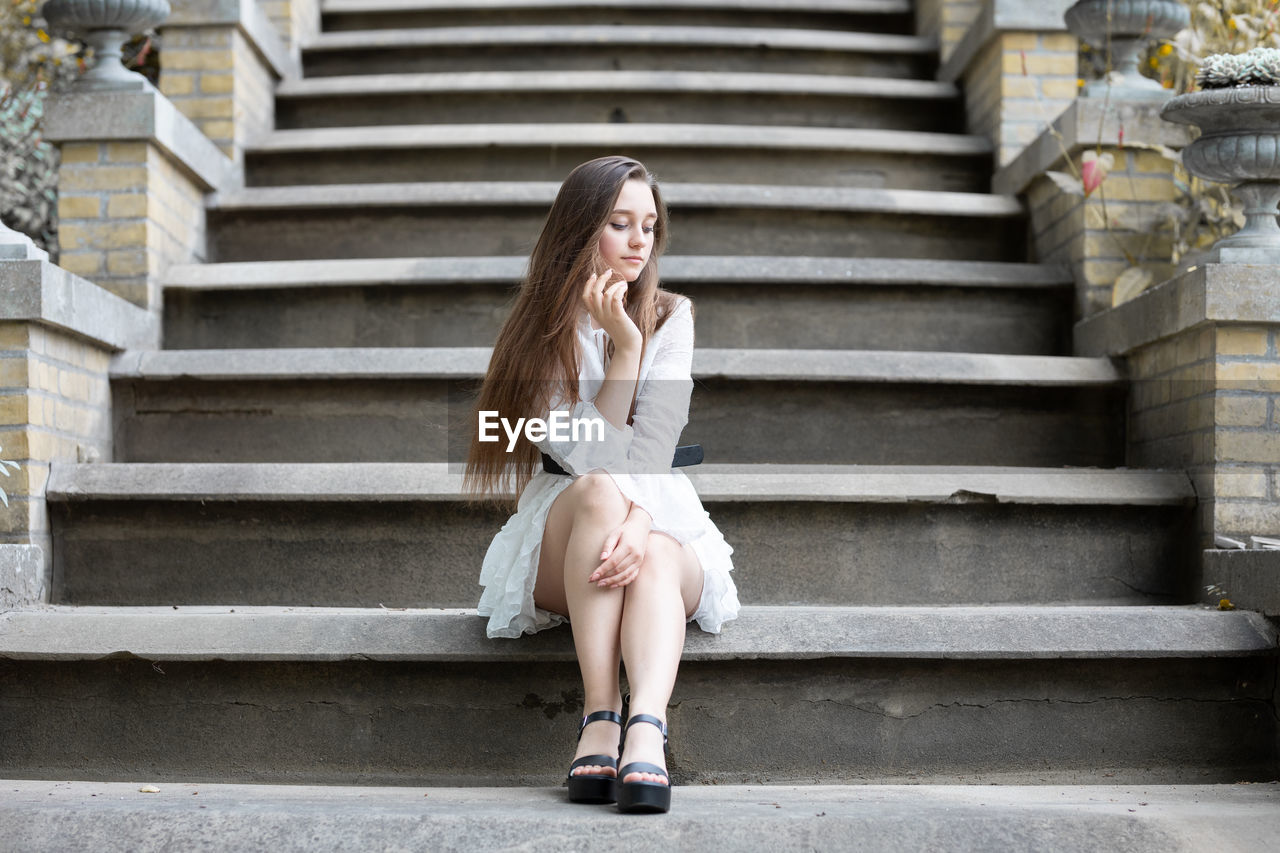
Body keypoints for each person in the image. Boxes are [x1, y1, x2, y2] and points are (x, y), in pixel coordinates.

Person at [464, 155, 740, 814]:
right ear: (582, 230)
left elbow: (656, 442)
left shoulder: (674, 314)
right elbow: (592, 457)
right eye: (620, 223)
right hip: (567, 527)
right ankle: (599, 711)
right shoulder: (539, 331)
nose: (641, 240)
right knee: (596, 493)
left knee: (655, 558)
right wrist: (625, 351)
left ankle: (645, 727)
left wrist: (644, 520)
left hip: (661, 511)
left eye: (649, 224)